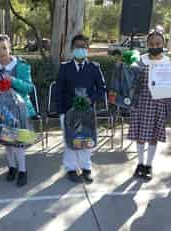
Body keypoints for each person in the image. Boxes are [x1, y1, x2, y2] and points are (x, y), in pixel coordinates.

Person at [0, 34, 36, 187]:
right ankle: (12, 167)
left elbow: (28, 87)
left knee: (18, 142)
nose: (2, 52)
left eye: (4, 48)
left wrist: (12, 80)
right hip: (2, 110)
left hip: (19, 110)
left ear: (10, 48)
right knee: (7, 142)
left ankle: (23, 171)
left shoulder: (20, 65)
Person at [56, 34, 106, 183]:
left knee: (86, 140)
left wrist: (90, 99)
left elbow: (102, 88)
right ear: (72, 49)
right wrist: (61, 112)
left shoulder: (94, 67)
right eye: (77, 47)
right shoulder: (65, 68)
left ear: (88, 49)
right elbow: (59, 91)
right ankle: (71, 169)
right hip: (68, 111)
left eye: (83, 47)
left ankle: (86, 168)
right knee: (70, 140)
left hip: (87, 112)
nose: (80, 49)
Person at [127, 29, 171, 181]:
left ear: (163, 44)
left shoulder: (168, 62)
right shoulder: (140, 60)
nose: (154, 46)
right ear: (147, 44)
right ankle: (139, 164)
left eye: (158, 43)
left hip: (159, 103)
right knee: (140, 136)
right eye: (151, 43)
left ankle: (148, 165)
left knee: (153, 136)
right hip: (141, 102)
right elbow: (131, 81)